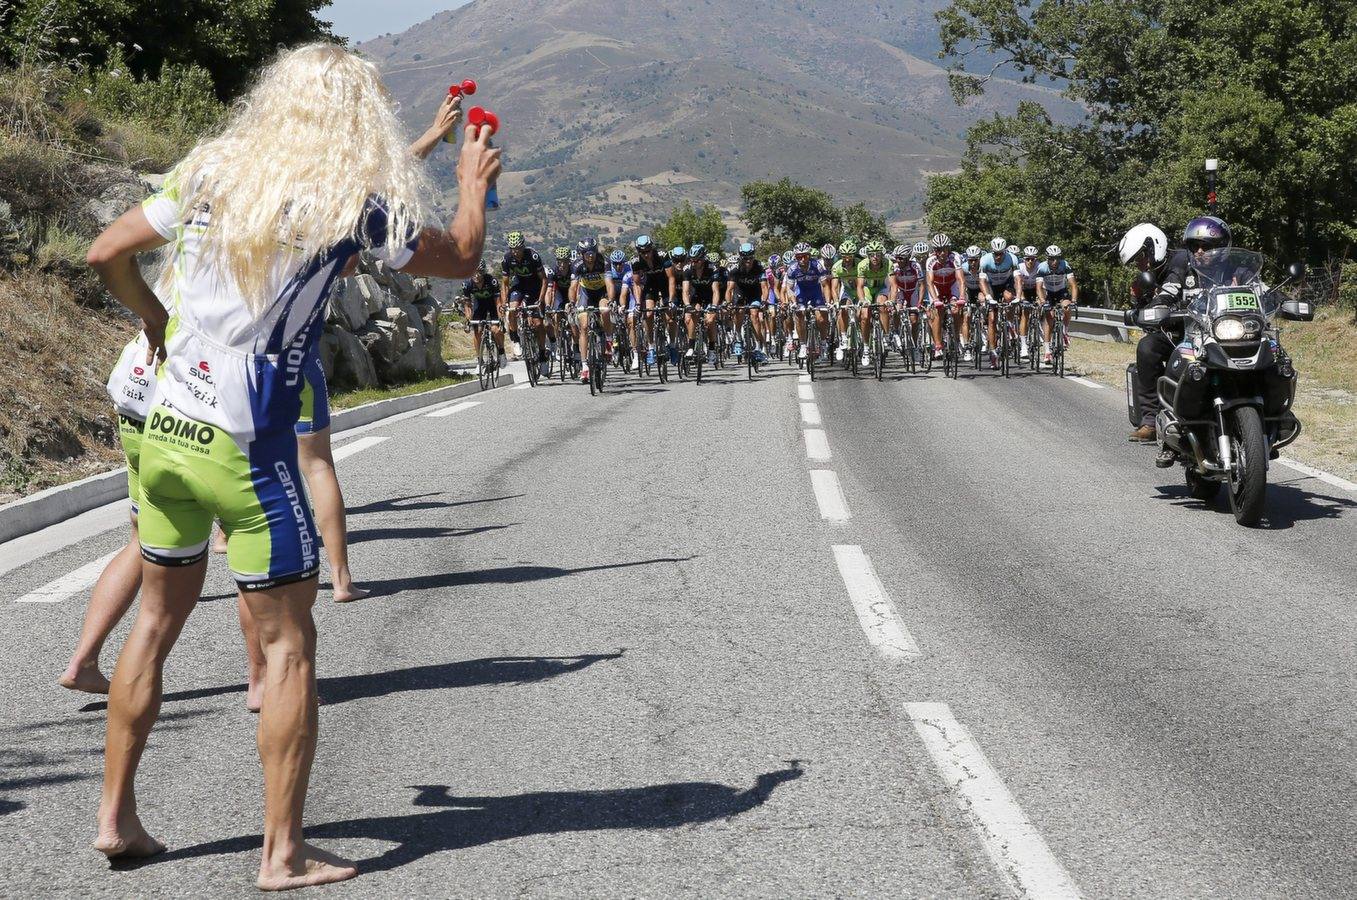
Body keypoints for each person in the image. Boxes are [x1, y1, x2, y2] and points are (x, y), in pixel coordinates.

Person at [83, 43, 499, 890]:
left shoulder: (210, 169)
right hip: (248, 436)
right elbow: (459, 258)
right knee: (286, 650)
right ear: (357, 119)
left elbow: (103, 253)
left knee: (155, 624)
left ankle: (116, 819)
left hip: (168, 423)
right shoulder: (354, 202)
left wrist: (158, 322)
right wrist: (471, 184)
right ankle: (281, 852)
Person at [58, 332, 160, 693]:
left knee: (141, 540)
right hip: (180, 427)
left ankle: (83, 660)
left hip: (135, 413)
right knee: (253, 535)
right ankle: (269, 679)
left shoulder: (165, 277)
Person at [1118, 222, 1191, 443]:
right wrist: (1138, 303)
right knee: (1146, 347)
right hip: (1173, 333)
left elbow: (1171, 289)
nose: (1139, 264)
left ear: (1153, 246)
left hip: (1203, 328)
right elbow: (1144, 315)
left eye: (1140, 257)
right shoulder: (1149, 276)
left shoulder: (1180, 259)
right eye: (1136, 261)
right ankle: (1149, 420)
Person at [499, 231, 547, 372]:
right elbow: (505, 284)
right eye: (512, 249)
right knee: (512, 310)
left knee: (538, 324)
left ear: (523, 247)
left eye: (518, 248)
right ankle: (515, 340)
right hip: (519, 285)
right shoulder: (507, 259)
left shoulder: (532, 256)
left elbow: (544, 280)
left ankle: (543, 354)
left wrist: (541, 300)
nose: (515, 252)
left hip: (535, 286)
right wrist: (504, 303)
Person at [628, 235, 674, 367]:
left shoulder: (662, 255)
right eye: (642, 252)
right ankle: (651, 347)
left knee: (670, 318)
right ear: (638, 251)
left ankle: (672, 345)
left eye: (648, 251)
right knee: (648, 314)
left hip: (664, 284)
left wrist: (670, 300)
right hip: (650, 286)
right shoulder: (636, 261)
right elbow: (636, 284)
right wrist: (637, 303)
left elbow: (671, 278)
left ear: (652, 248)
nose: (646, 254)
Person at [571, 237, 611, 383]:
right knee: (584, 326)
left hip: (601, 292)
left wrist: (611, 300)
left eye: (592, 252)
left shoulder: (604, 262)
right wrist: (571, 302)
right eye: (586, 253)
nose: (590, 256)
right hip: (586, 294)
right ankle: (585, 366)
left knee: (605, 311)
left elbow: (609, 283)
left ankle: (608, 340)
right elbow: (573, 286)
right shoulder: (576, 265)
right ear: (581, 254)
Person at [784, 242, 832, 362]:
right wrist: (793, 302)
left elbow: (825, 285)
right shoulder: (792, 269)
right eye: (799, 257)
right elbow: (789, 289)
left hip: (816, 293)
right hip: (802, 294)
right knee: (799, 314)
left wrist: (828, 302)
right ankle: (803, 345)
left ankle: (823, 343)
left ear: (809, 256)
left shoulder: (817, 265)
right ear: (796, 258)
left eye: (805, 256)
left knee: (821, 318)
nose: (802, 259)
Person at [926, 234, 967, 361]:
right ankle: (938, 345)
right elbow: (929, 282)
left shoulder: (955, 258)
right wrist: (936, 300)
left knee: (955, 310)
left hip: (951, 286)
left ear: (948, 249)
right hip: (937, 287)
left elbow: (960, 280)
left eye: (944, 249)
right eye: (938, 250)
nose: (942, 253)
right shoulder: (931, 261)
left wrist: (961, 297)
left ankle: (956, 337)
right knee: (937, 312)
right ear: (935, 251)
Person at [1035, 245, 1078, 364]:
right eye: (1052, 259)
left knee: (1067, 307)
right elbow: (1038, 288)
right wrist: (1043, 301)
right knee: (1049, 317)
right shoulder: (1042, 268)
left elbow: (1073, 284)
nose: (1055, 262)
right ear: (1047, 259)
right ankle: (1047, 351)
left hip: (1061, 292)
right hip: (1048, 292)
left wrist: (1074, 300)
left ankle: (1064, 331)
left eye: (1057, 259)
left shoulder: (1065, 265)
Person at [461, 261, 505, 360]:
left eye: (480, 272)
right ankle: (479, 360)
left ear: (484, 272)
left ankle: (502, 352)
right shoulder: (467, 284)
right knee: (477, 332)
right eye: (474, 272)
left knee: (496, 330)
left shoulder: (492, 281)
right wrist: (468, 319)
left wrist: (501, 318)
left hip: (492, 304)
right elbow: (467, 305)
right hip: (479, 305)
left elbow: (498, 302)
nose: (476, 275)